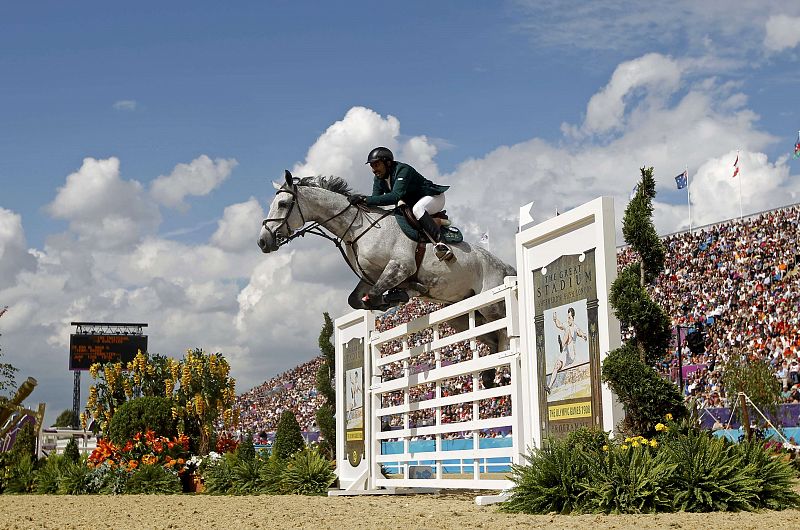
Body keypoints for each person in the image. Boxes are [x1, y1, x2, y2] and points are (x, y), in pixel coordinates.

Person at [349, 146, 453, 261]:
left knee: (418, 209)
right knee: (401, 210)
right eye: (372, 166)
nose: (374, 169)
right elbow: (376, 199)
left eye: (376, 165)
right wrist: (358, 200)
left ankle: (441, 244)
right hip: (412, 201)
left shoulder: (403, 170)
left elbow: (395, 196)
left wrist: (365, 199)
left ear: (387, 163)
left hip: (433, 197)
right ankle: (435, 223)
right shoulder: (378, 178)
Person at [547, 307, 588, 393]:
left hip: (570, 354)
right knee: (556, 366)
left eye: (569, 318)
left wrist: (584, 335)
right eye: (567, 317)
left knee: (568, 330)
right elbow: (559, 325)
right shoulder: (566, 324)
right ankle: (549, 387)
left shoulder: (575, 328)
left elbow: (581, 333)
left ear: (573, 318)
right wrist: (555, 319)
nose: (568, 320)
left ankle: (561, 344)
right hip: (564, 352)